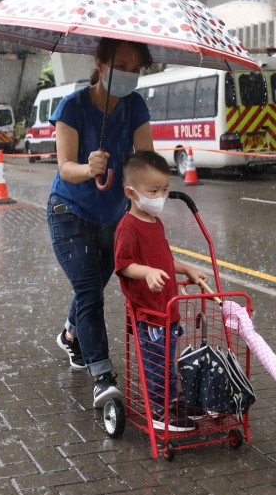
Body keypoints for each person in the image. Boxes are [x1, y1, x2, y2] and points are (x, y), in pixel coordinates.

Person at [48, 37, 154, 409]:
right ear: (101, 61)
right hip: (69, 213)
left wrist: (149, 186)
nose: (128, 74)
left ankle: (71, 335)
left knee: (91, 285)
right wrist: (87, 166)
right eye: (121, 65)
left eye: (135, 69)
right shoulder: (71, 107)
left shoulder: (135, 106)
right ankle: (103, 377)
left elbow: (145, 159)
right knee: (90, 290)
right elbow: (65, 168)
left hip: (112, 218)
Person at [114, 151, 207, 432]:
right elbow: (123, 265)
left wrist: (186, 269)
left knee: (168, 363)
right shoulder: (128, 227)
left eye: (165, 190)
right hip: (150, 314)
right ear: (131, 192)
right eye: (153, 191)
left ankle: (172, 402)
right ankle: (159, 410)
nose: (161, 197)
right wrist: (146, 272)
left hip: (168, 309)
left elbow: (164, 259)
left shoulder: (156, 223)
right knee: (156, 365)